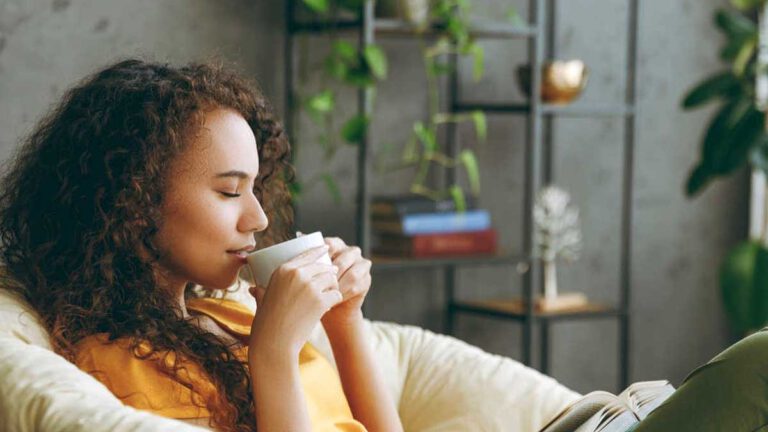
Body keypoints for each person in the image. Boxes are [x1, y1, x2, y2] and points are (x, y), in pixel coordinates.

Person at [0, 58, 403, 432]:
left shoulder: (231, 315)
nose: (260, 219)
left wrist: (344, 321)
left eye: (255, 187)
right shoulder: (124, 361)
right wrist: (274, 354)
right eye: (230, 191)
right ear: (135, 202)